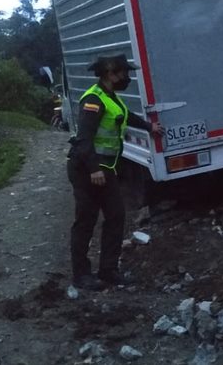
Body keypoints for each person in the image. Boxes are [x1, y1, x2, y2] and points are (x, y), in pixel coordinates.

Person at [67, 54, 163, 290]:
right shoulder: (93, 100)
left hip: (105, 170)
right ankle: (81, 275)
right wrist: (93, 168)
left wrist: (149, 127)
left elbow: (125, 116)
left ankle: (108, 270)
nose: (126, 78)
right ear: (110, 74)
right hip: (87, 170)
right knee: (86, 221)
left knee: (116, 216)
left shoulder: (111, 98)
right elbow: (84, 139)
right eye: (124, 73)